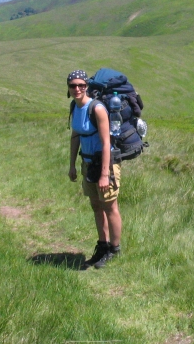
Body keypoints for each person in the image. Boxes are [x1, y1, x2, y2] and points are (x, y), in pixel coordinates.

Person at [67, 69, 122, 269]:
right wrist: (72, 164)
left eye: (81, 85)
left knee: (110, 206)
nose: (77, 89)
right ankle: (102, 245)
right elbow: (75, 137)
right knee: (96, 206)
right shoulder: (75, 107)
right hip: (87, 163)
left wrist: (105, 174)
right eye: (73, 85)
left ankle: (114, 249)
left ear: (87, 86)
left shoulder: (97, 108)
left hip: (104, 164)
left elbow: (106, 142)